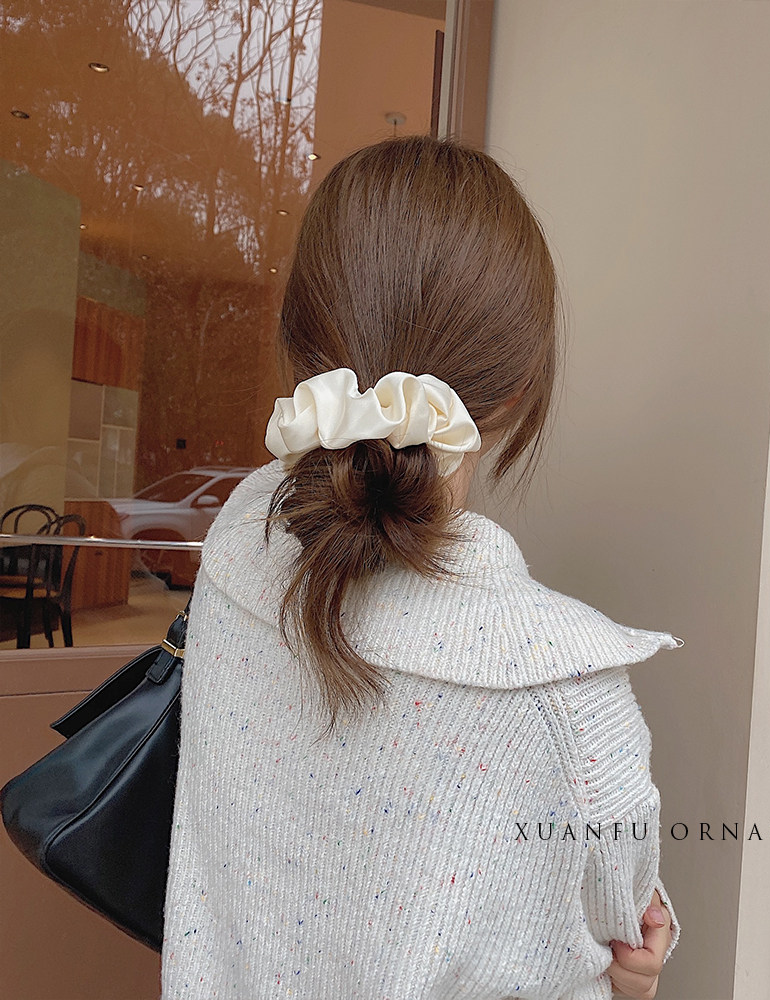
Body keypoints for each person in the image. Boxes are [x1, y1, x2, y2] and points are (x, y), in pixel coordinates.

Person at [161, 134, 683, 999]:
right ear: (517, 391)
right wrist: (637, 977)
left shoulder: (238, 541)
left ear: (301, 348)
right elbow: (624, 930)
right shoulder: (570, 699)